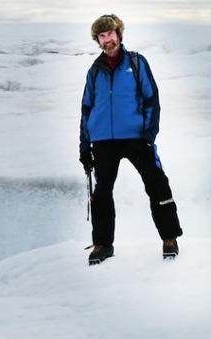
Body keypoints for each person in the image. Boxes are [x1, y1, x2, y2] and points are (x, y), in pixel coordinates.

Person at [79, 14, 182, 265]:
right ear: (98, 40)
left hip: (136, 138)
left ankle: (169, 237)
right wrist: (84, 146)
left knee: (157, 184)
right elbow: (86, 109)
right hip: (103, 141)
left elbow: (151, 100)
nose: (107, 39)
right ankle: (103, 245)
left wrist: (148, 135)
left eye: (110, 34)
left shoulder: (137, 63)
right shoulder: (94, 71)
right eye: (102, 36)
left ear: (119, 34)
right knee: (101, 193)